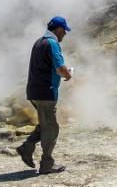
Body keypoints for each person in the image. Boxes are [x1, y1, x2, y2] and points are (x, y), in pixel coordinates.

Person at [17, 16, 73, 174]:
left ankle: (26, 147)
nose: (65, 35)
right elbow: (60, 67)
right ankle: (47, 164)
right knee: (52, 128)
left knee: (45, 123)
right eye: (64, 31)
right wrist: (68, 75)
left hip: (34, 91)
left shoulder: (38, 42)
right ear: (59, 29)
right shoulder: (52, 43)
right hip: (46, 92)